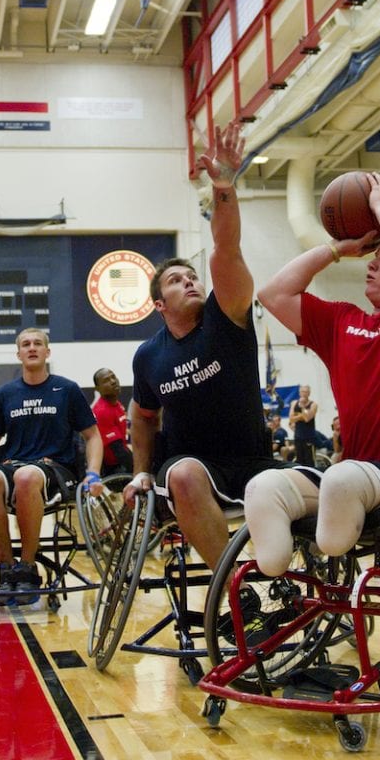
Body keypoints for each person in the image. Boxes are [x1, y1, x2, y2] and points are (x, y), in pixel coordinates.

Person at [248, 170, 380, 578]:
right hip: (357, 476)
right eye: (373, 258)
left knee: (342, 479)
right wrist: (334, 250)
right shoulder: (342, 323)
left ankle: (327, 545)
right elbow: (273, 294)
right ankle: (281, 573)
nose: (371, 266)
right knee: (264, 487)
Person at [125, 123, 280, 573]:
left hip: (253, 461)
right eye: (176, 280)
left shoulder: (225, 315)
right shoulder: (149, 356)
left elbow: (225, 250)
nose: (189, 280)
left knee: (327, 485)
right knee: (183, 473)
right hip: (195, 470)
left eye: (190, 276)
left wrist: (223, 188)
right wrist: (140, 469)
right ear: (159, 304)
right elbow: (143, 416)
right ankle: (234, 587)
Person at [0, 329, 103, 603]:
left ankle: (28, 567)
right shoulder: (5, 394)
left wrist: (93, 473)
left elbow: (93, 436)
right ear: (18, 353)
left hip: (56, 469)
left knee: (26, 477)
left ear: (48, 352)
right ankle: (6, 569)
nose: (32, 348)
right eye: (26, 344)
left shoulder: (66, 389)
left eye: (37, 343)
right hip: (15, 465)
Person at [90, 369, 133, 474]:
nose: (113, 381)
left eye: (113, 377)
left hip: (120, 461)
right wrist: (138, 472)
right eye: (106, 380)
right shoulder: (102, 411)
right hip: (111, 469)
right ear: (98, 389)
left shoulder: (117, 405)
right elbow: (118, 451)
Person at [289, 386, 321, 470]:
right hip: (298, 436)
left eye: (306, 392)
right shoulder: (294, 403)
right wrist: (301, 416)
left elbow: (307, 419)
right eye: (302, 391)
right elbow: (291, 419)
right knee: (299, 461)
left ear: (309, 393)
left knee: (309, 462)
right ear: (299, 393)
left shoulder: (313, 404)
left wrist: (302, 407)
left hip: (309, 437)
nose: (304, 393)